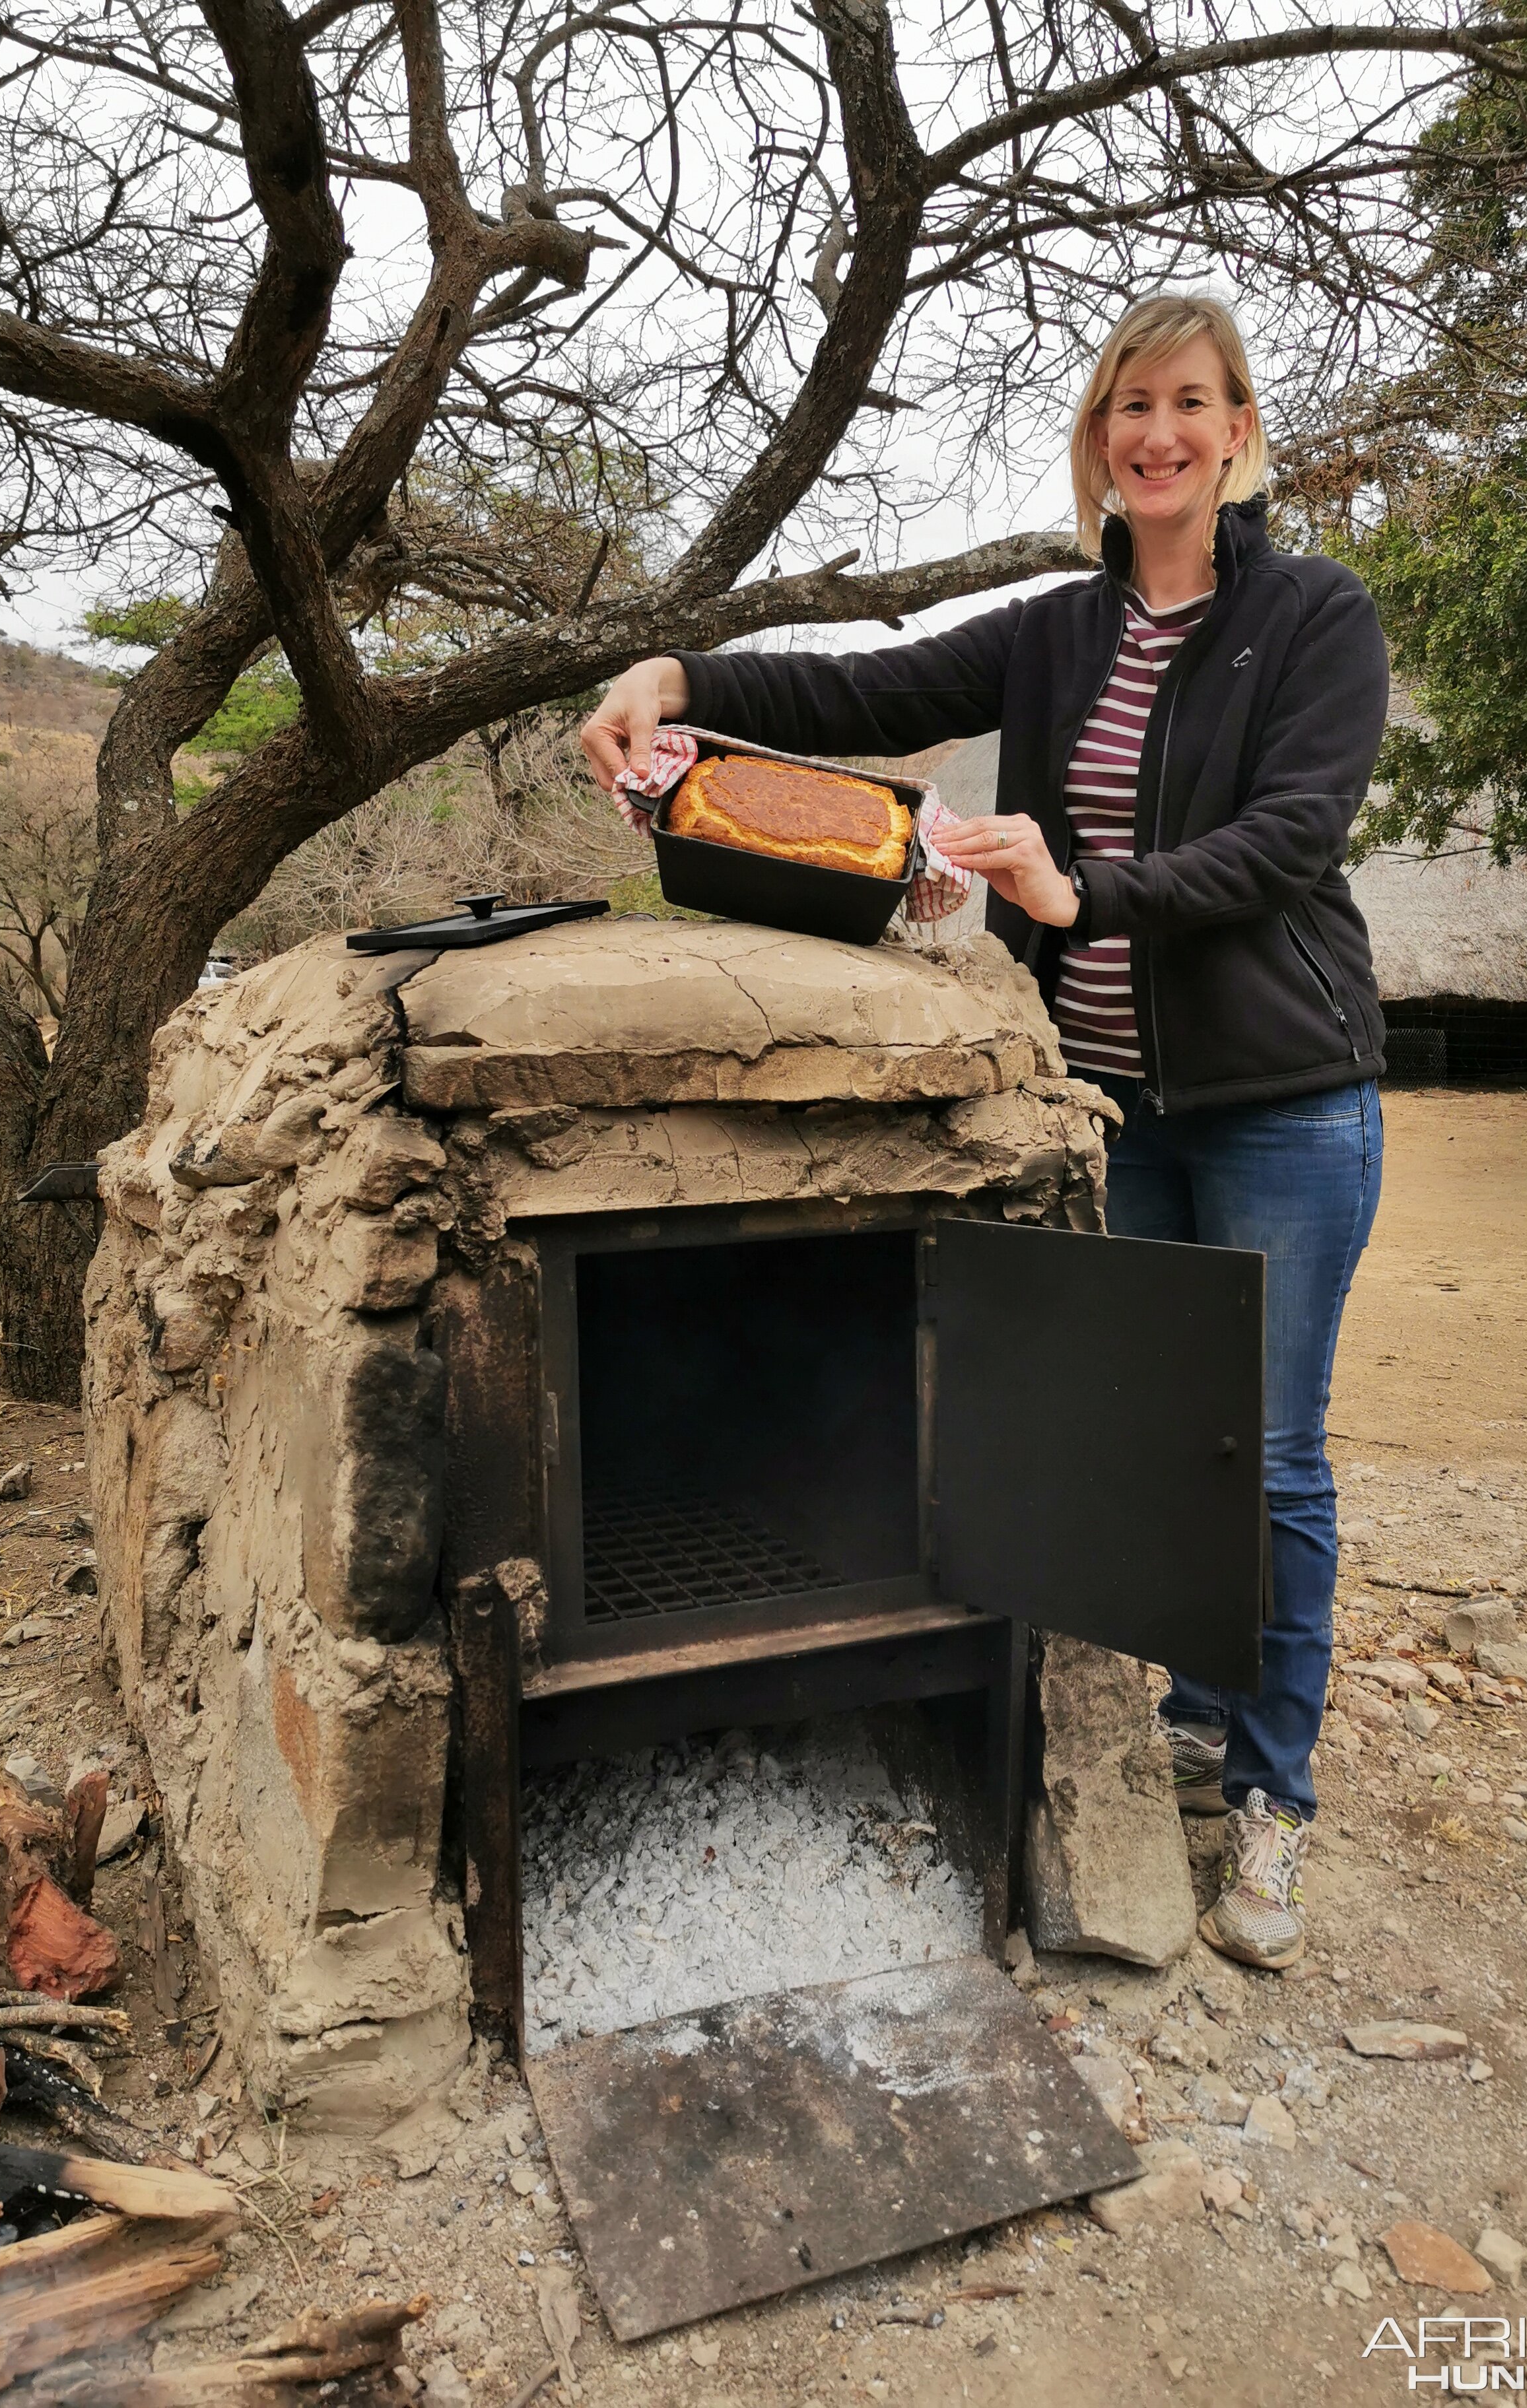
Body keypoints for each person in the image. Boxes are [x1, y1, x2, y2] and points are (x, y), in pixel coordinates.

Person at [580, 294, 1388, 1972]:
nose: (1155, 434)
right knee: (1151, 1434)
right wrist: (675, 672)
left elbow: (1287, 844)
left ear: (1239, 433)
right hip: (1119, 1105)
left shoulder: (1315, 619)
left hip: (1283, 1101)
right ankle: (1179, 1714)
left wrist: (1081, 889)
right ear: (1101, 441)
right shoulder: (1055, 631)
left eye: (1188, 405)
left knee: (1272, 1451)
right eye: (1126, 409)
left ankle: (1274, 1796)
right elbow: (862, 683)